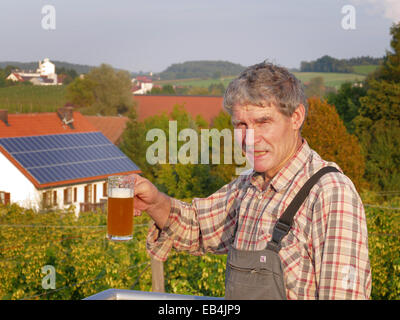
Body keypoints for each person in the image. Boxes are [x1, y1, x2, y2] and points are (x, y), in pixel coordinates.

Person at [131, 62, 371, 300]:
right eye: (241, 125)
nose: (250, 139)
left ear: (296, 117)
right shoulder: (248, 187)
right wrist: (154, 203)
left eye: (262, 122)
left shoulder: (330, 194)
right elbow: (198, 228)